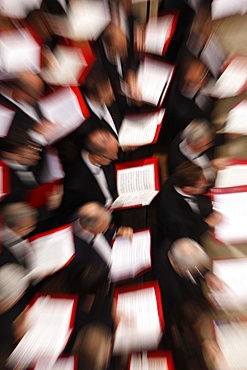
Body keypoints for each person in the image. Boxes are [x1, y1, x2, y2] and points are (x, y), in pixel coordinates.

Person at [59, 128, 119, 222]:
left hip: (117, 206)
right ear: (97, 157)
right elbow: (78, 218)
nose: (116, 157)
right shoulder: (76, 183)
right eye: (111, 157)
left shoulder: (104, 157)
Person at [158, 161, 222, 243]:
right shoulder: (173, 214)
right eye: (201, 186)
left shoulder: (181, 177)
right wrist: (206, 224)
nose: (206, 184)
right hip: (191, 232)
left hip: (201, 211)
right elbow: (184, 236)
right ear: (188, 189)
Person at [167, 118, 229, 183]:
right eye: (206, 145)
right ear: (192, 144)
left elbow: (215, 139)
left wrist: (227, 136)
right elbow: (196, 184)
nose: (210, 146)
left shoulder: (200, 137)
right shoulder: (179, 165)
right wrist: (211, 167)